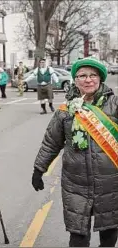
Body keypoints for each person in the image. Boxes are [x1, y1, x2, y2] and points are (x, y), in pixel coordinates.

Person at [31, 57, 118, 247]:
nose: (88, 80)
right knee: (78, 237)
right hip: (76, 183)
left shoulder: (115, 104)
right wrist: (39, 169)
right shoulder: (66, 110)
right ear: (75, 80)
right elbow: (51, 142)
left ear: (100, 79)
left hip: (111, 181)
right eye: (82, 76)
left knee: (110, 233)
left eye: (93, 75)